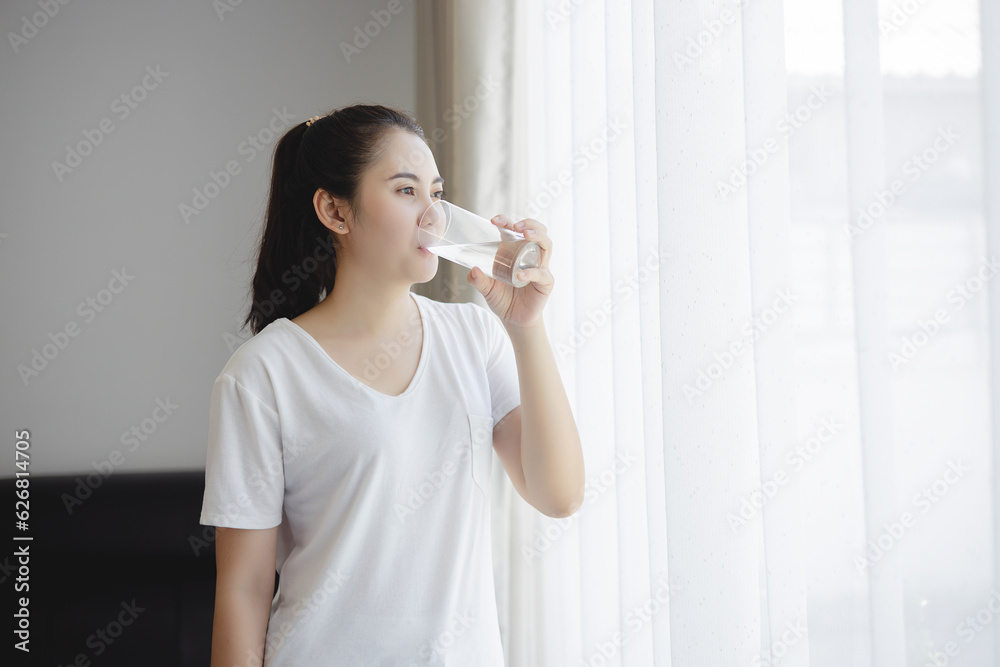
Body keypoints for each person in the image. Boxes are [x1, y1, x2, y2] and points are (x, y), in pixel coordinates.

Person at [199, 103, 584, 666]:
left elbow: (560, 495)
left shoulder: (475, 337)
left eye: (436, 192)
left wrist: (526, 329)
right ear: (335, 210)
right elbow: (243, 590)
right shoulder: (263, 375)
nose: (434, 216)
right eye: (406, 192)